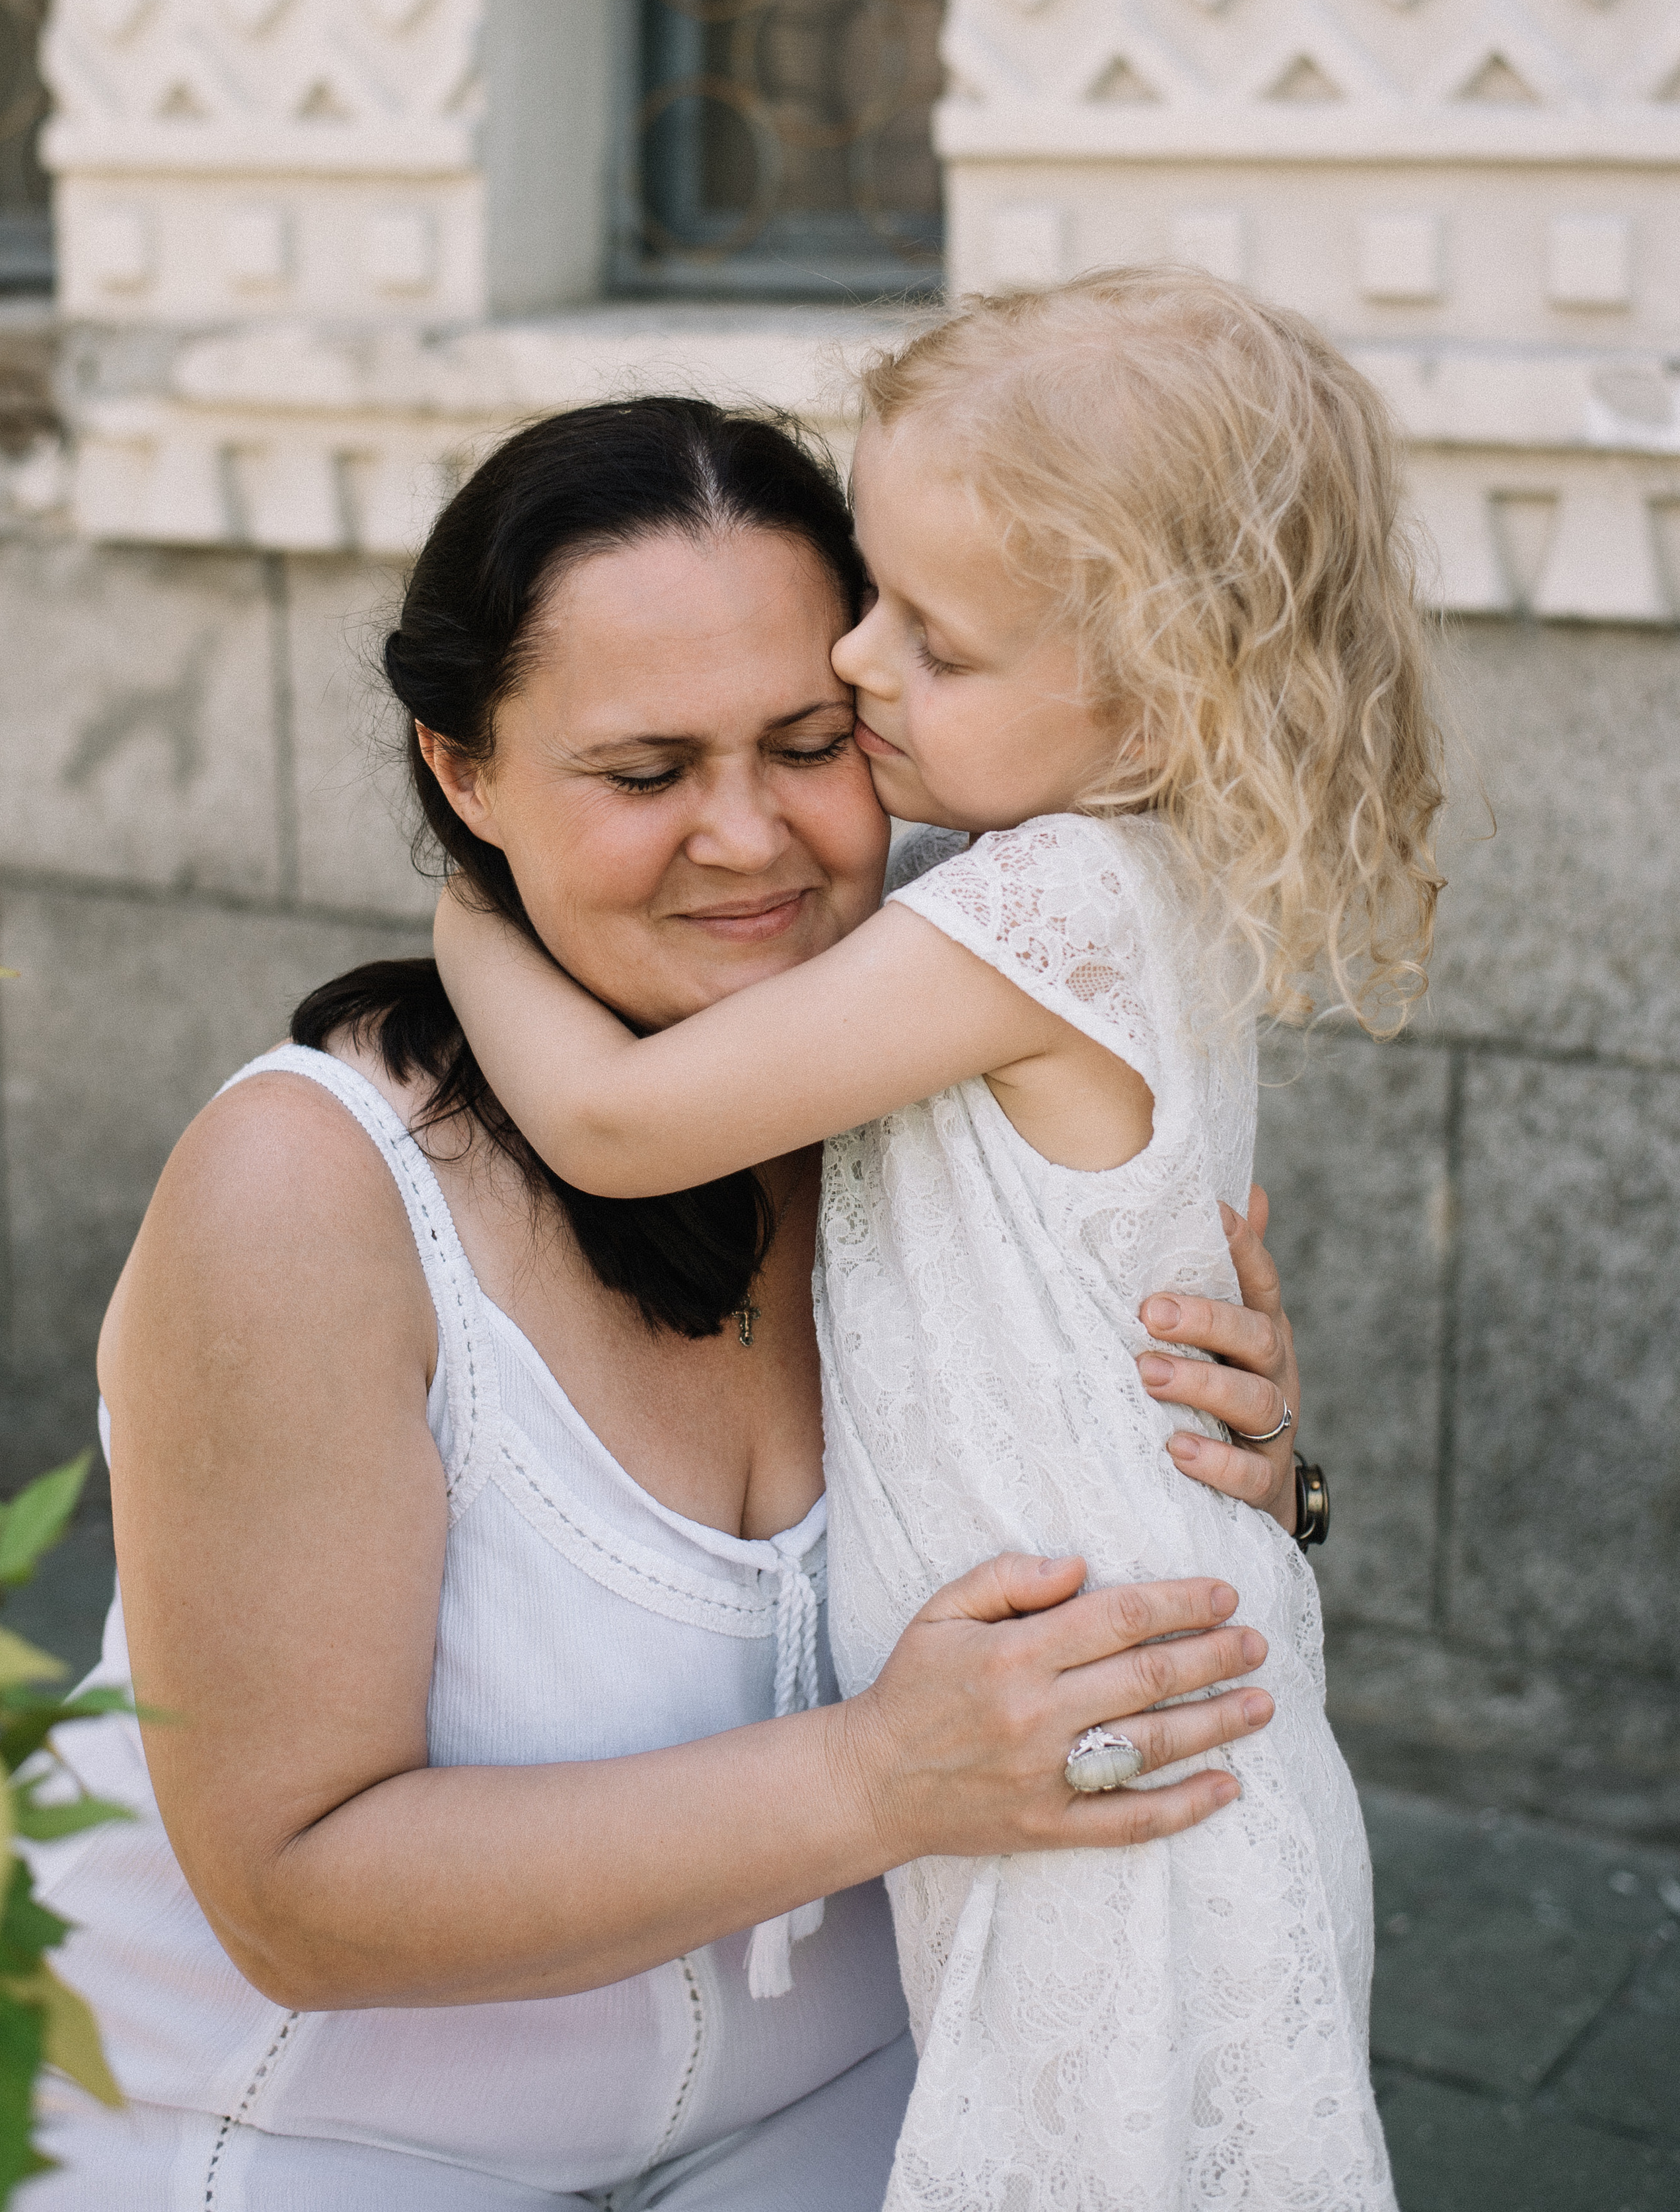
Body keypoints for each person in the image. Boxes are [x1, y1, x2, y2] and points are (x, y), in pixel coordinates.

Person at [36, 394, 1313, 2212]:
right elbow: (292, 1897)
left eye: (812, 742)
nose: (749, 839)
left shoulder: (957, 1066)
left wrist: (1247, 1475)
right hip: (288, 2132)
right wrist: (883, 1776)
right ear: (463, 772)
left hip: (864, 2098)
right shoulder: (306, 1192)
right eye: (645, 774)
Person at [434, 278, 1445, 2211]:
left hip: (1109, 1739)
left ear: (1163, 693)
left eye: (936, 639)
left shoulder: (1046, 903)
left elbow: (617, 1123)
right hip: (1105, 1705)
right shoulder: (1076, 871)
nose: (860, 655)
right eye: (873, 596)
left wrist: (471, 898)